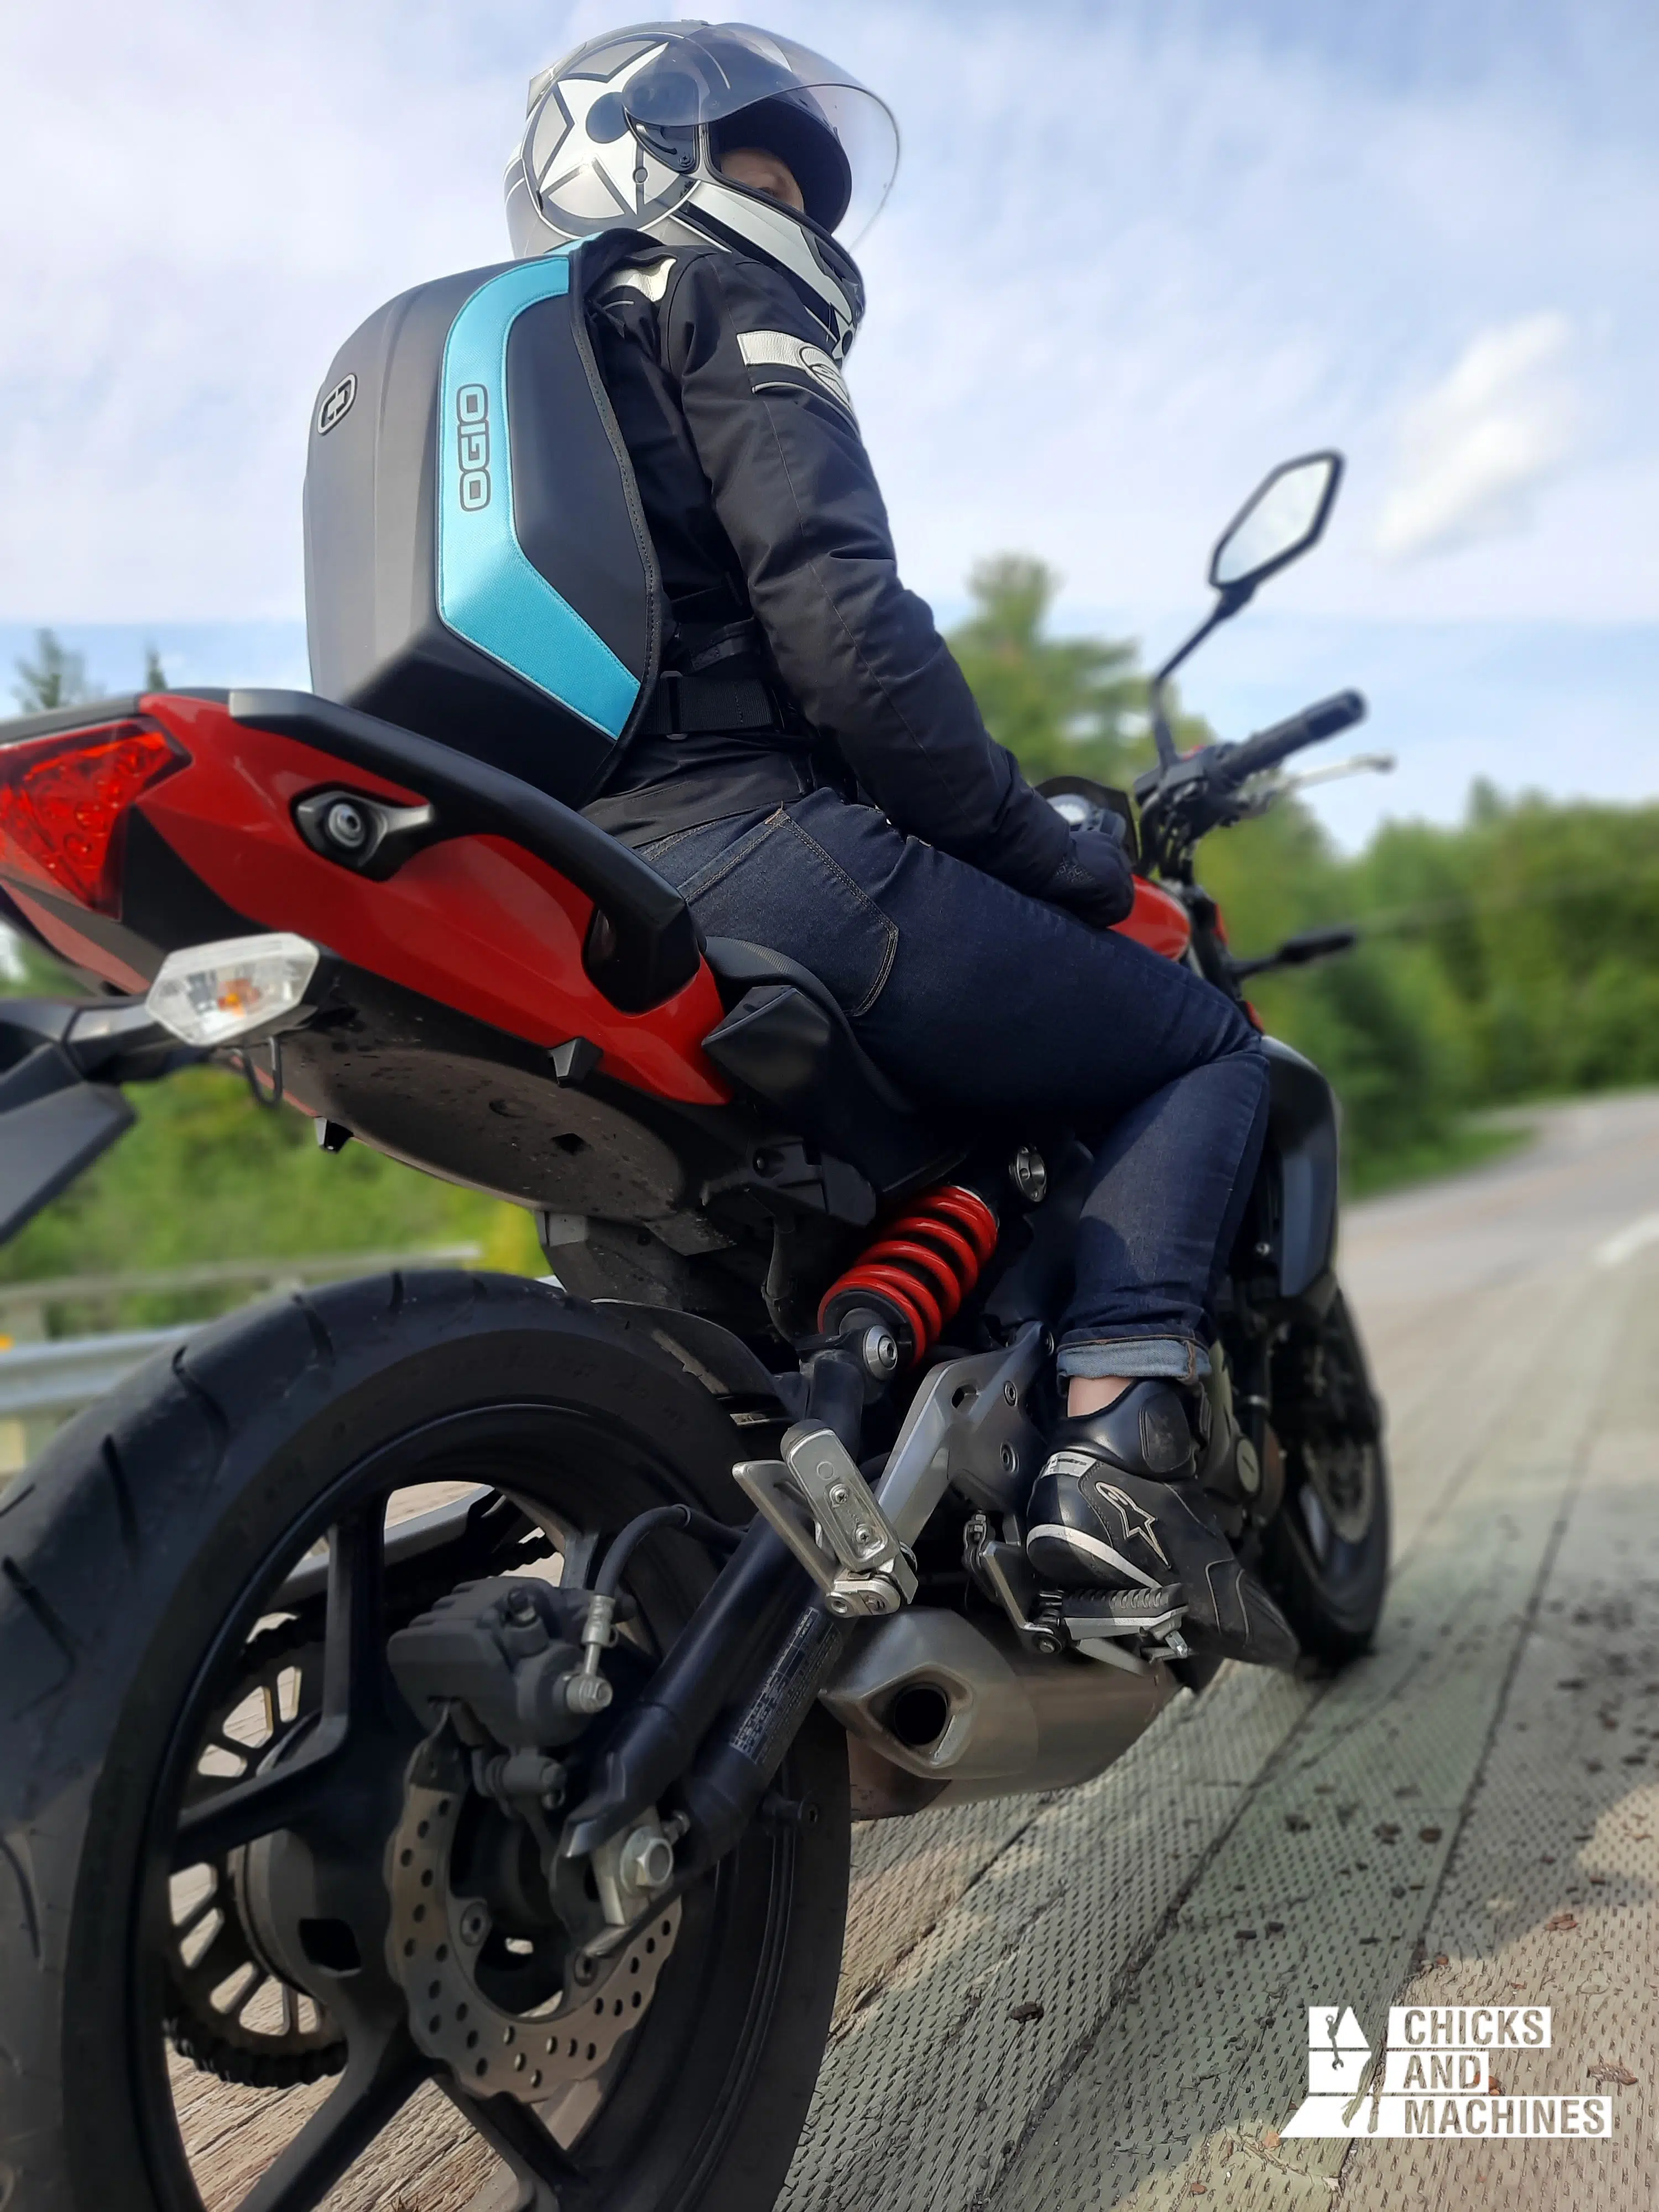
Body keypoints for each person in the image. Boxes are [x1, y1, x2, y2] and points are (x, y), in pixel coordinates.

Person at [504, 24, 1296, 1668]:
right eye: (757, 167)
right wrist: (1055, 859)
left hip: (576, 893)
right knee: (1205, 1050)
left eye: (798, 184)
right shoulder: (714, 293)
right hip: (758, 853)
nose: (793, 209)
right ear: (641, 157)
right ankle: (1115, 1454)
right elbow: (849, 638)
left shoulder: (518, 378)